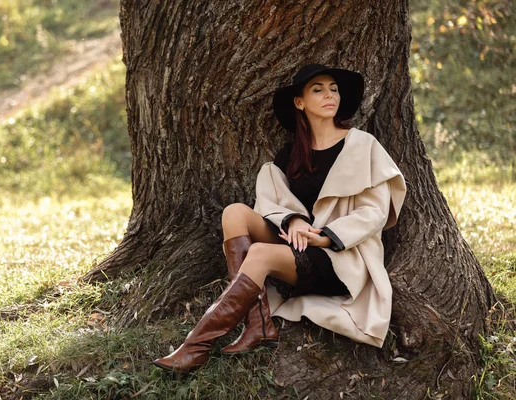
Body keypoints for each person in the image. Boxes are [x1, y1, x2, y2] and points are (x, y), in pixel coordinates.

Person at [152, 63, 407, 374]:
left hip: (339, 256)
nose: (329, 95)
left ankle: (195, 347)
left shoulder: (361, 145)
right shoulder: (290, 156)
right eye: (318, 90)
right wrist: (293, 221)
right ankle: (257, 324)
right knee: (234, 212)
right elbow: (272, 201)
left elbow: (375, 212)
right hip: (297, 246)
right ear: (299, 102)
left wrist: (325, 236)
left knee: (259, 252)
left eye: (334, 89)